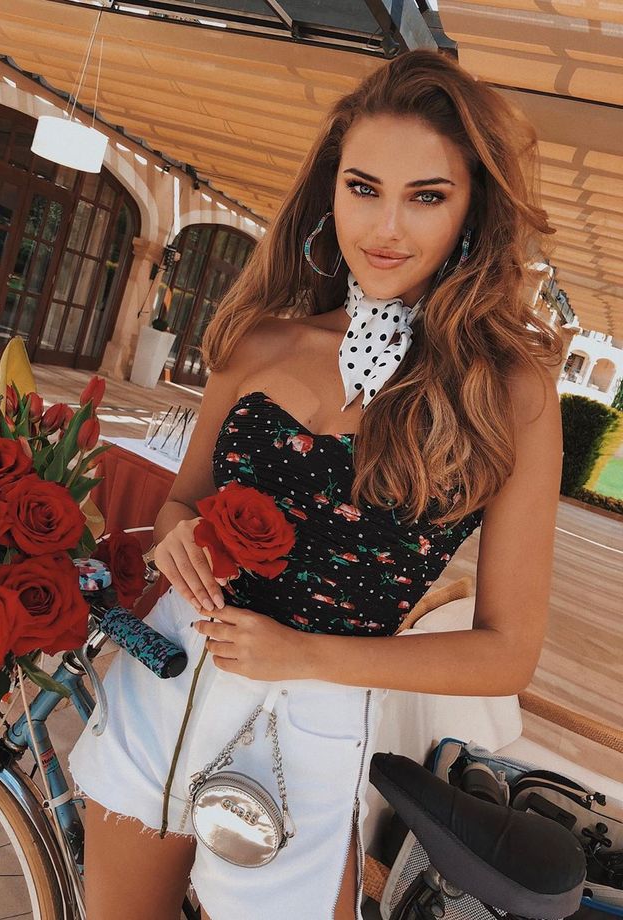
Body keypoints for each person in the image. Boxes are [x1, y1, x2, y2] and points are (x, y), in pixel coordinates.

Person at [69, 48, 563, 920]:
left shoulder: (508, 393)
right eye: (363, 187)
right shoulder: (262, 339)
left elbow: (506, 651)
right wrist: (179, 533)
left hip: (308, 733)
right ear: (329, 189)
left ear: (472, 209)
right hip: (166, 681)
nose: (386, 226)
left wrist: (303, 654)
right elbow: (182, 500)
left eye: (427, 196)